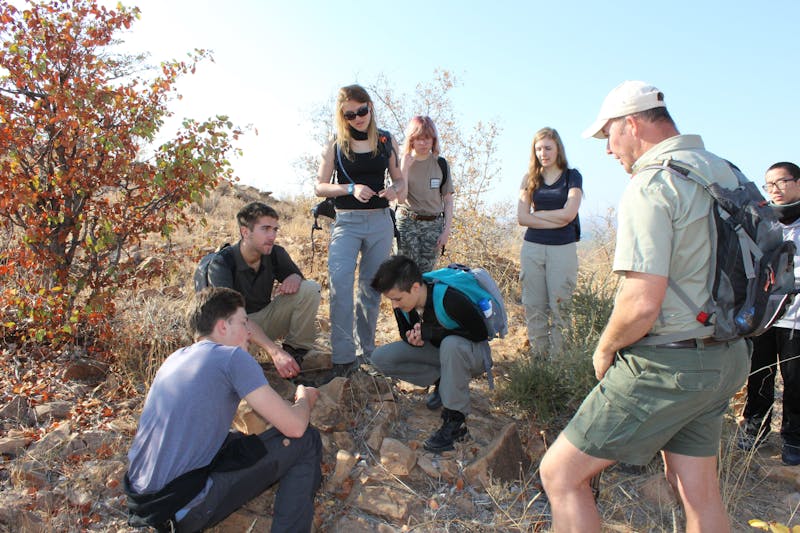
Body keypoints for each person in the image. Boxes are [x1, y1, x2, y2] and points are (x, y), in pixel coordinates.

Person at [538, 81, 750, 532]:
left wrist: (605, 348)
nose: (609, 150)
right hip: (725, 358)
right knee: (698, 493)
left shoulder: (652, 184)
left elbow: (640, 304)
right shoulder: (724, 170)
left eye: (609, 136)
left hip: (667, 366)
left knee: (560, 474)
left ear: (631, 124)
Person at [124, 287, 322, 533]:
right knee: (307, 440)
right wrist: (304, 399)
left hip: (144, 504)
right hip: (183, 510)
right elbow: (294, 427)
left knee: (239, 442)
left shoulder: (174, 359)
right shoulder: (232, 358)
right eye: (243, 322)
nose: (249, 333)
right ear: (222, 326)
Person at [315, 84, 405, 378]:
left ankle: (365, 354)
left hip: (380, 221)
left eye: (362, 111)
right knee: (340, 283)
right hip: (347, 221)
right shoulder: (335, 143)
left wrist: (394, 190)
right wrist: (350, 188)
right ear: (343, 117)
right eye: (350, 114)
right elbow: (319, 186)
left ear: (370, 107)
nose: (358, 118)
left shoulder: (385, 139)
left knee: (370, 287)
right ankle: (342, 358)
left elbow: (400, 180)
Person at [370, 255, 491, 453]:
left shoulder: (450, 298)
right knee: (379, 359)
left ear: (415, 287)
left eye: (397, 299)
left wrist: (432, 333)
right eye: (391, 299)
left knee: (451, 344)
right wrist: (412, 336)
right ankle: (444, 381)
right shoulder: (403, 302)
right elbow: (404, 332)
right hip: (442, 353)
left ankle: (456, 422)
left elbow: (480, 333)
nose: (395, 304)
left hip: (474, 355)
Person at [207, 201, 321, 380]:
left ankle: (296, 354)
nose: (272, 236)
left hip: (263, 320)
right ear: (245, 232)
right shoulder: (222, 263)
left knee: (310, 289)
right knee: (228, 368)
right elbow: (231, 317)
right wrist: (274, 352)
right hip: (233, 330)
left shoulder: (275, 253)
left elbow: (300, 282)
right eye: (265, 229)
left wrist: (295, 277)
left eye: (275, 230)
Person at [738, 161, 800, 465]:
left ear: (798, 183)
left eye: (781, 182)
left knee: (796, 379)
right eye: (768, 184)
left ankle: (794, 438)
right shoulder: (762, 222)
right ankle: (754, 429)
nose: (774, 189)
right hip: (763, 316)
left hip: (796, 318)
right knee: (759, 374)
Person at [517, 127, 583, 357]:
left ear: (557, 149)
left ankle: (559, 365)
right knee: (534, 307)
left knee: (561, 308)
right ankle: (539, 360)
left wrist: (537, 217)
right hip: (533, 248)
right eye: (538, 149)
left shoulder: (572, 176)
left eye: (547, 148)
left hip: (562, 249)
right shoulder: (529, 179)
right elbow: (521, 217)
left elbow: (569, 214)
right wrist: (557, 217)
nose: (543, 153)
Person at [397, 116, 455, 273]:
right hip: (408, 222)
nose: (423, 143)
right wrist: (404, 169)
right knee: (406, 273)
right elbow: (401, 199)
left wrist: (446, 231)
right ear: (412, 140)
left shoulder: (440, 164)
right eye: (419, 139)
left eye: (427, 138)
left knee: (426, 275)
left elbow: (448, 200)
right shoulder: (402, 162)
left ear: (433, 139)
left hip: (433, 225)